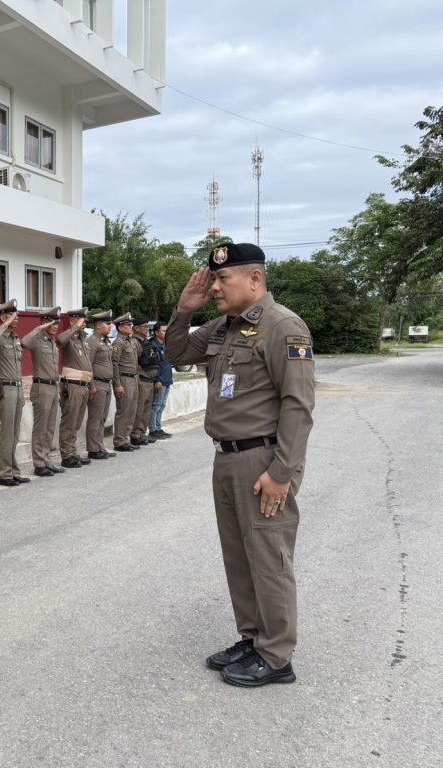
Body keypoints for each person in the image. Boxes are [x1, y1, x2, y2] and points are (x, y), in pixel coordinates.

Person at [165, 242, 315, 687]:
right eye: (211, 280)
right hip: (227, 458)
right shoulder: (223, 328)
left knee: (268, 558)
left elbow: (298, 406)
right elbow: (176, 353)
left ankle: (276, 656)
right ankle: (252, 639)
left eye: (222, 279)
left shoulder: (283, 326)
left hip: (264, 461)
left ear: (254, 279)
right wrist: (183, 311)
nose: (213, 288)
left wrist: (281, 473)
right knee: (240, 557)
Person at [0, 299, 26, 485]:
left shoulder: (15, 338)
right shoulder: (1, 337)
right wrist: (5, 324)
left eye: (16, 315)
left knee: (16, 433)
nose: (16, 318)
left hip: (18, 388)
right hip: (7, 388)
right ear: (4, 317)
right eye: (12, 315)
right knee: (7, 433)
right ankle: (4, 473)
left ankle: (13, 470)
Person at [22, 307, 64, 477]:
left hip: (53, 387)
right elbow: (24, 342)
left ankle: (46, 460)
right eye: (52, 322)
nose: (56, 326)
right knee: (40, 427)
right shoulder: (37, 340)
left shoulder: (52, 342)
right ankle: (39, 463)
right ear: (45, 322)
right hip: (42, 387)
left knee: (49, 427)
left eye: (57, 323)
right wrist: (38, 328)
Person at [56, 308, 93, 469]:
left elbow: (88, 365)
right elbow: (60, 340)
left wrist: (92, 385)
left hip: (84, 384)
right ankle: (66, 455)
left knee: (76, 422)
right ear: (72, 321)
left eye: (84, 321)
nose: (84, 324)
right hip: (72, 384)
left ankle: (72, 451)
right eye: (80, 320)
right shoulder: (69, 338)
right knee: (69, 422)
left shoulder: (82, 340)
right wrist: (74, 328)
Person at [85, 310, 116, 460]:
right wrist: (91, 385)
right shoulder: (92, 341)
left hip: (106, 384)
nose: (110, 327)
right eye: (108, 324)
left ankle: (100, 446)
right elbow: (88, 365)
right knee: (95, 418)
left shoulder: (105, 342)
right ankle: (93, 448)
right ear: (98, 326)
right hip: (97, 383)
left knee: (102, 418)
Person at [110, 313, 141, 452]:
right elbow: (114, 364)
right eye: (128, 326)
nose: (131, 328)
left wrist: (132, 338)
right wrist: (117, 384)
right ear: (121, 328)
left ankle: (125, 438)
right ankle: (119, 441)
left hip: (133, 378)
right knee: (124, 410)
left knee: (132, 410)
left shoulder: (130, 341)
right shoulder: (118, 343)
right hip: (124, 378)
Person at [131, 318, 158, 446]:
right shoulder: (135, 342)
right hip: (141, 378)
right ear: (136, 328)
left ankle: (141, 433)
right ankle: (135, 435)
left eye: (148, 327)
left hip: (149, 379)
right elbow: (134, 362)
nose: (147, 329)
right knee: (139, 409)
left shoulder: (146, 341)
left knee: (146, 409)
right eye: (145, 327)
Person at [149, 322, 173, 439]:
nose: (166, 333)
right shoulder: (152, 345)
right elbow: (153, 365)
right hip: (160, 380)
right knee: (155, 406)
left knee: (162, 405)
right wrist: (156, 380)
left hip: (167, 378)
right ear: (156, 332)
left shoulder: (166, 344)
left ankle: (158, 427)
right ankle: (153, 429)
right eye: (164, 331)